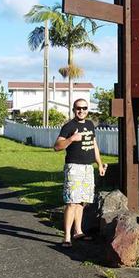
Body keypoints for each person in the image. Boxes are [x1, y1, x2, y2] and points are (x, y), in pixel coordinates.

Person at [54, 99, 106, 248]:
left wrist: (100, 164)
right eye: (78, 108)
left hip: (87, 168)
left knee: (82, 202)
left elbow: (94, 145)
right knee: (72, 202)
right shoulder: (68, 126)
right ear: (73, 109)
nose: (81, 110)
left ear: (87, 109)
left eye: (84, 108)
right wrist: (71, 139)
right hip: (74, 167)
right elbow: (57, 147)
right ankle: (67, 237)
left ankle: (78, 231)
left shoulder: (90, 125)